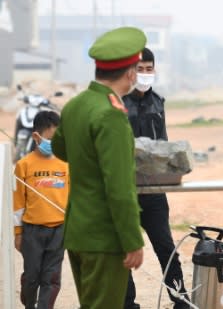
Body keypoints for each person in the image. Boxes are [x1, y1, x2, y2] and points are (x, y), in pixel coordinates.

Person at [51, 26, 145, 309]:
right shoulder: (110, 114)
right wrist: (132, 239)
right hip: (105, 237)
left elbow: (59, 149)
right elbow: (119, 187)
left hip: (79, 231)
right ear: (131, 73)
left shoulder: (75, 106)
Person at [122, 47, 189, 309]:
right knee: (123, 249)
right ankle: (128, 302)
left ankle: (180, 298)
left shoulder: (158, 102)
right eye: (140, 69)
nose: (145, 74)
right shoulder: (118, 102)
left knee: (165, 246)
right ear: (130, 71)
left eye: (149, 69)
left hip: (154, 190)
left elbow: (163, 143)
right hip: (125, 190)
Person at [13, 110, 69, 309]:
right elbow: (18, 201)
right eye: (51, 138)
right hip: (32, 231)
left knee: (52, 278)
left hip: (59, 230)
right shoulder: (24, 165)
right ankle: (29, 302)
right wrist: (18, 232)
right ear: (36, 137)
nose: (55, 143)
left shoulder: (66, 163)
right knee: (32, 277)